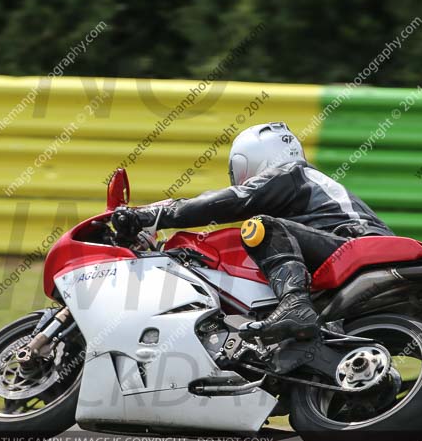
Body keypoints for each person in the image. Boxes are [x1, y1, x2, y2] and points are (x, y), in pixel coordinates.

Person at [111, 121, 394, 343]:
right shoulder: (306, 187)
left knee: (261, 227)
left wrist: (151, 215)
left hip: (356, 248)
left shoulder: (291, 174)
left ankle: (294, 304)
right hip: (358, 252)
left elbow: (230, 201)